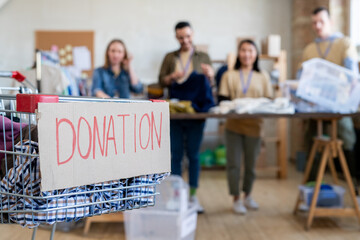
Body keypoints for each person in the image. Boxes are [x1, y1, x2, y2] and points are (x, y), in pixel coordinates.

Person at [158, 21, 215, 213]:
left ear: (193, 35)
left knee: (193, 155)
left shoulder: (203, 56)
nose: (185, 40)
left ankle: (192, 197)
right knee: (175, 155)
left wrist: (211, 75)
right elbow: (161, 81)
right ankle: (176, 197)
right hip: (174, 112)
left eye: (188, 36)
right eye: (181, 37)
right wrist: (172, 76)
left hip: (196, 112)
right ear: (176, 37)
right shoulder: (169, 57)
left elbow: (210, 85)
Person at [298, 7, 359, 181]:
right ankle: (310, 190)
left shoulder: (344, 44)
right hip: (315, 107)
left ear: (330, 22)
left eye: (321, 22)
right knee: (311, 145)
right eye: (314, 22)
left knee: (347, 141)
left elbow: (352, 73)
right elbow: (301, 77)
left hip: (338, 106)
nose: (317, 26)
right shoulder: (309, 49)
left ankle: (354, 187)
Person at [218, 39, 273, 215]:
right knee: (233, 164)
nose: (246, 54)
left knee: (251, 165)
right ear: (238, 53)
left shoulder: (262, 76)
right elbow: (222, 100)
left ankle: (247, 195)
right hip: (233, 126)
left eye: (250, 50)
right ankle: (235, 198)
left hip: (255, 127)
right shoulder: (229, 75)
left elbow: (269, 101)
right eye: (243, 50)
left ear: (256, 54)